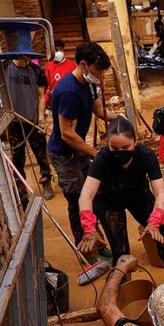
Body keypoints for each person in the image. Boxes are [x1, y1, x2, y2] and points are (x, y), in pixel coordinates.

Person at [78, 117, 164, 282]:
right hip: (109, 202)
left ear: (136, 141)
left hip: (139, 197)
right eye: (114, 148)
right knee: (121, 251)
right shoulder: (102, 159)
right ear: (107, 144)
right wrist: (89, 227)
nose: (120, 152)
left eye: (126, 147)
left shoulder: (146, 155)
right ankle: (125, 287)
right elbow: (86, 194)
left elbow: (160, 193)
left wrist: (156, 219)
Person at [47, 41, 115, 247]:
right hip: (64, 154)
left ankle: (96, 236)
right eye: (97, 69)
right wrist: (95, 153)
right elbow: (67, 134)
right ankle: (84, 245)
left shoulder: (89, 84)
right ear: (84, 64)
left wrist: (119, 119)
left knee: (92, 193)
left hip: (78, 150)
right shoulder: (69, 91)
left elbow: (97, 108)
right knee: (77, 199)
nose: (100, 75)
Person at [4, 55, 55, 200]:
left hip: (33, 120)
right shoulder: (6, 66)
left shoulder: (36, 70)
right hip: (14, 121)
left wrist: (41, 121)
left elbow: (41, 97)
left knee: (41, 154)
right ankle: (21, 186)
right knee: (17, 155)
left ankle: (46, 181)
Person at [44, 38, 76, 111]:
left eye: (60, 49)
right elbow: (48, 84)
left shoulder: (71, 66)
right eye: (55, 50)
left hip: (67, 102)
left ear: (63, 50)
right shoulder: (49, 65)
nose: (58, 52)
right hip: (52, 103)